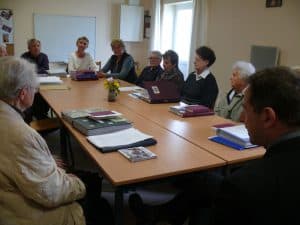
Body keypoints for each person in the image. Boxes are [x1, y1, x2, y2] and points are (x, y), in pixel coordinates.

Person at [129, 67, 300, 225]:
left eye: (246, 111)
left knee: (204, 202)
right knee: (203, 181)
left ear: (268, 117)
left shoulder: (245, 184)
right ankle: (166, 214)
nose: (244, 120)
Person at [0, 57, 113, 225]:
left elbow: (16, 160)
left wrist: (44, 160)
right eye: (33, 87)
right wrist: (77, 184)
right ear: (23, 93)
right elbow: (49, 193)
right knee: (98, 200)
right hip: (25, 212)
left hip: (12, 195)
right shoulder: (21, 135)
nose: (36, 91)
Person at [21, 39, 50, 122]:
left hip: (42, 84)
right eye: (33, 46)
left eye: (38, 45)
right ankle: (32, 115)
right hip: (28, 83)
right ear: (29, 48)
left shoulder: (44, 56)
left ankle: (41, 115)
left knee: (43, 97)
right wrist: (37, 69)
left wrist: (31, 69)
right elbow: (24, 70)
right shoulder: (24, 56)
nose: (36, 48)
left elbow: (45, 70)